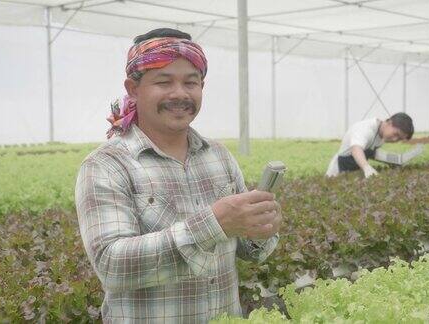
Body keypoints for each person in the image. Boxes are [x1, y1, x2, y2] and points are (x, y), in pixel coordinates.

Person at [75, 28, 282, 323]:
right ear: (133, 89)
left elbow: (249, 252)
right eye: (164, 82)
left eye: (191, 82)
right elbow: (112, 265)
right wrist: (215, 222)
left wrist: (261, 230)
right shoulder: (107, 165)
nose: (180, 94)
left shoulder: (219, 157)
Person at [326, 113, 414, 178]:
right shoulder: (366, 129)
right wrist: (366, 168)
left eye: (399, 139)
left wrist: (394, 160)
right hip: (338, 171)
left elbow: (371, 151)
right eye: (396, 134)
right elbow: (356, 149)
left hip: (353, 172)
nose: (395, 139)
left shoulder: (382, 133)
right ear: (390, 122)